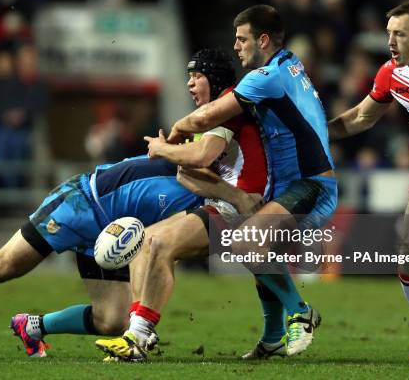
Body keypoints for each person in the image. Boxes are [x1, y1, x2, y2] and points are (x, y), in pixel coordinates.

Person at [96, 37, 335, 361]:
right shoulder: (212, 114)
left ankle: (138, 336)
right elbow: (187, 172)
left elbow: (200, 155)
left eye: (197, 76)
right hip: (231, 202)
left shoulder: (226, 108)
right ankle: (137, 331)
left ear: (214, 78)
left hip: (246, 203)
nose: (189, 84)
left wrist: (164, 148)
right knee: (147, 241)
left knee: (161, 245)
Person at [0, 155, 256, 358]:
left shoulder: (209, 205)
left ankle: (32, 326)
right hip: (80, 204)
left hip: (112, 234)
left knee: (110, 321)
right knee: (2, 266)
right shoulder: (199, 163)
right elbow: (191, 156)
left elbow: (162, 253)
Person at [328, 0, 409, 364]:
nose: (390, 41)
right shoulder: (390, 74)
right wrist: (319, 135)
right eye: (388, 33)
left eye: (399, 34)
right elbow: (361, 118)